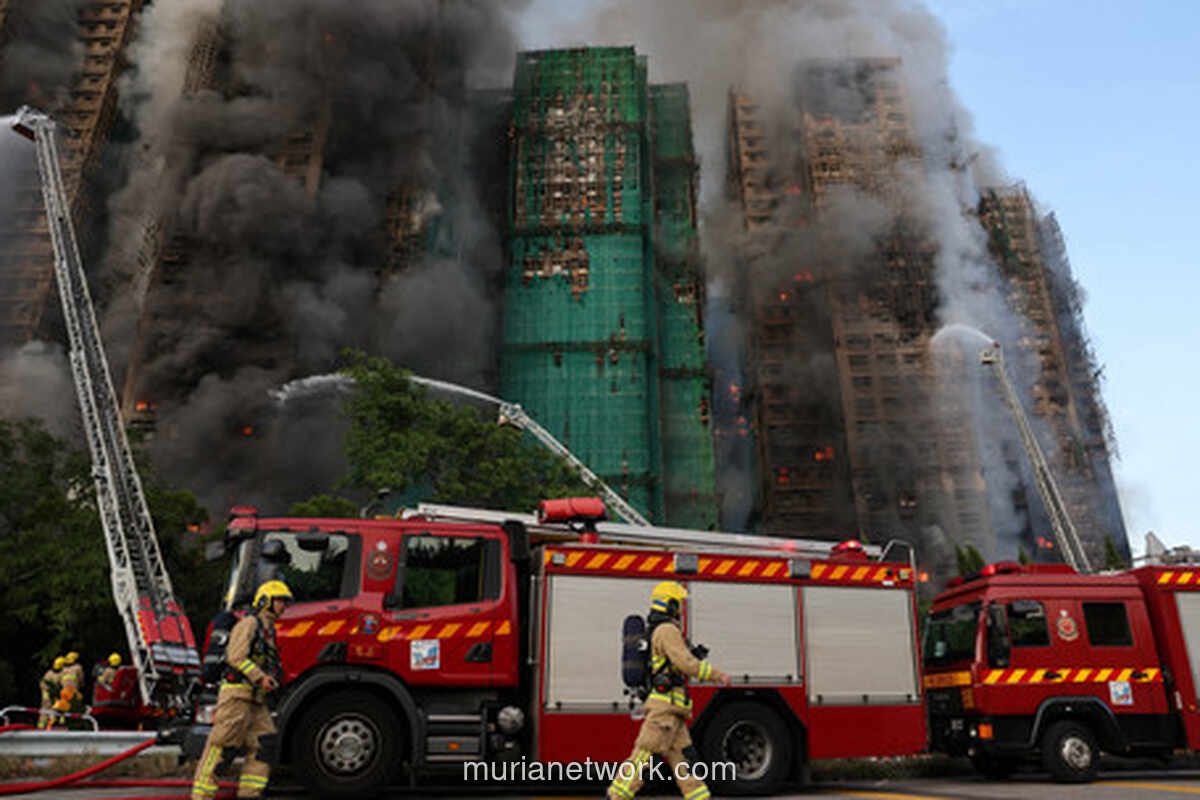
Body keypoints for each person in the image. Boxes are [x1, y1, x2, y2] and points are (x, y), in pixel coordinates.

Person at [607, 581, 731, 800]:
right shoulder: (667, 630)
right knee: (643, 756)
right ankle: (616, 796)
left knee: (684, 759)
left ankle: (700, 797)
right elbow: (686, 664)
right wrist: (718, 675)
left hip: (673, 709)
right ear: (670, 604)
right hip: (665, 708)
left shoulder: (660, 630)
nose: (680, 609)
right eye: (678, 603)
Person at [190, 580, 292, 800]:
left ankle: (250, 793)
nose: (284, 606)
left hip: (256, 698)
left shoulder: (268, 630)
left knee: (265, 744)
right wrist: (260, 677)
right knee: (222, 746)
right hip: (237, 694)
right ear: (266, 601)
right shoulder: (249, 624)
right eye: (281, 601)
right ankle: (202, 796)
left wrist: (274, 678)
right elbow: (236, 657)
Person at [37, 657, 64, 730]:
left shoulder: (49, 673)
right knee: (51, 710)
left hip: (48, 694)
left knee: (45, 710)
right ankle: (47, 725)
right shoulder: (60, 674)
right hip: (50, 695)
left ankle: (42, 725)